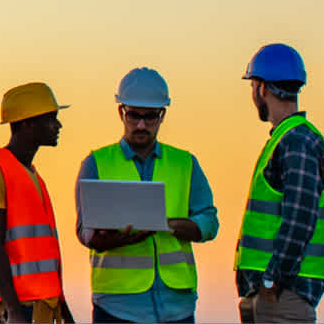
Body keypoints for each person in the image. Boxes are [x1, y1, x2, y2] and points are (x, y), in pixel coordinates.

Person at [76, 67, 219, 323]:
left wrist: (168, 225)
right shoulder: (96, 163)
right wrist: (115, 239)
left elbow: (209, 224)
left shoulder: (185, 163)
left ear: (162, 115)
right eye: (134, 116)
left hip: (177, 306)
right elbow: (85, 233)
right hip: (118, 307)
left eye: (150, 117)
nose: (141, 125)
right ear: (121, 112)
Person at [233, 44, 324, 324]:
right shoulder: (288, 139)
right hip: (272, 297)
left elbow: (300, 219)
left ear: (261, 88)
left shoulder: (297, 142)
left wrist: (271, 282)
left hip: (282, 297)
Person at [0, 82, 77, 323]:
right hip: (19, 309)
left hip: (41, 306)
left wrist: (63, 310)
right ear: (27, 124)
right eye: (51, 119)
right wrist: (14, 311)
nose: (58, 126)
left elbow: (45, 256)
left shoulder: (32, 175)